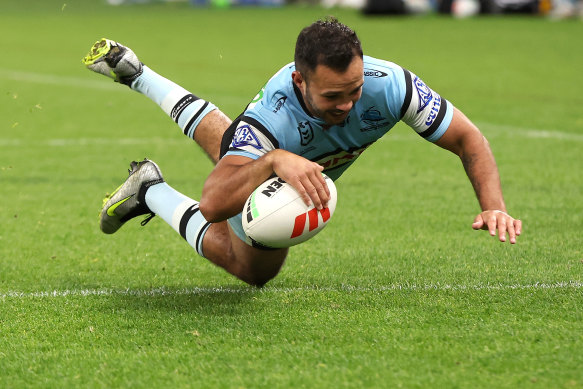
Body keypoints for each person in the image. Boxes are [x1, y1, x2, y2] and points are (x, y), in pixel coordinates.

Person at [82, 17, 522, 287]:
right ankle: (150, 191)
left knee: (227, 145)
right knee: (254, 271)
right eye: (333, 97)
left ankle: (137, 73)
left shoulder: (391, 86)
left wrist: (494, 206)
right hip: (268, 155)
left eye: (354, 90)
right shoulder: (271, 119)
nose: (348, 105)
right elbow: (214, 203)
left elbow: (468, 139)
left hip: (267, 150)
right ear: (300, 82)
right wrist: (273, 161)